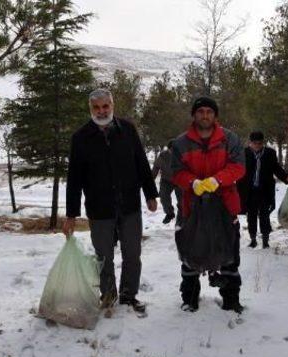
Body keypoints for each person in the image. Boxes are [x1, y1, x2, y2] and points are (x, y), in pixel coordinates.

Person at [62, 88, 158, 314]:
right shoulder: (81, 138)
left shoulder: (128, 130)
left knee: (132, 253)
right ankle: (108, 295)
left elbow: (141, 163)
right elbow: (74, 178)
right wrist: (71, 215)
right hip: (99, 208)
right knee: (103, 256)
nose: (101, 111)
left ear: (112, 106)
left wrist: (151, 194)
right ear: (90, 109)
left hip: (130, 205)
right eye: (96, 107)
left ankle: (128, 295)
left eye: (105, 106)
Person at [171, 96, 245, 313]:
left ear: (215, 115)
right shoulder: (181, 142)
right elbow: (175, 172)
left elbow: (239, 166)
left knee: (229, 255)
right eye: (201, 111)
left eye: (209, 112)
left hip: (224, 206)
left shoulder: (229, 139)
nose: (205, 115)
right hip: (191, 207)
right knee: (190, 254)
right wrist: (192, 182)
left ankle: (231, 300)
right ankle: (190, 298)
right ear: (194, 114)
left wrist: (217, 180)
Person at [239, 130, 288, 249]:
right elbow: (236, 169)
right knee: (251, 216)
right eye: (254, 143)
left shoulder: (270, 153)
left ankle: (265, 240)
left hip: (264, 191)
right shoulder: (243, 153)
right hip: (249, 191)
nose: (257, 145)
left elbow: (276, 168)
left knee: (264, 216)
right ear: (250, 143)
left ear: (263, 143)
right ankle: (253, 239)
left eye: (259, 143)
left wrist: (286, 178)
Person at [152, 140, 182, 225]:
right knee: (163, 196)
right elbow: (155, 168)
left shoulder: (182, 154)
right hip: (166, 180)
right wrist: (150, 181)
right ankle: (169, 213)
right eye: (171, 149)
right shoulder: (163, 156)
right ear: (168, 149)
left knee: (182, 200)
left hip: (180, 180)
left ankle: (182, 216)